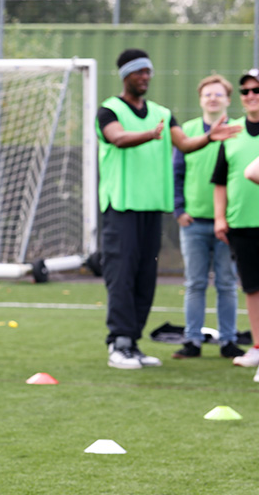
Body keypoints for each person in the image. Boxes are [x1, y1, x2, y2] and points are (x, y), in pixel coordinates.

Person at [96, 48, 240, 369]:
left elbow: (185, 144)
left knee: (146, 277)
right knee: (121, 276)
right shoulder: (110, 110)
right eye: (139, 72)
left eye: (148, 72)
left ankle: (132, 342)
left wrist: (209, 137)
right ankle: (118, 343)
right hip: (121, 208)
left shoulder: (161, 112)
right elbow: (117, 139)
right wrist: (148, 134)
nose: (145, 77)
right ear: (125, 75)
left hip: (152, 210)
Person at [171, 74, 244, 360]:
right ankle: (193, 340)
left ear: (227, 99)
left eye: (218, 94)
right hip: (194, 223)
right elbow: (177, 173)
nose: (212, 99)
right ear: (200, 100)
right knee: (195, 283)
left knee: (226, 282)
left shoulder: (238, 131)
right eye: (207, 95)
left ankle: (228, 340)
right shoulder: (186, 132)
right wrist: (179, 210)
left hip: (227, 223)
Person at [212, 68, 259, 379]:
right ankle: (257, 346)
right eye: (246, 91)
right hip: (242, 222)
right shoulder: (232, 131)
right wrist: (220, 217)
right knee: (252, 287)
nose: (251, 95)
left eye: (257, 90)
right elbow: (220, 181)